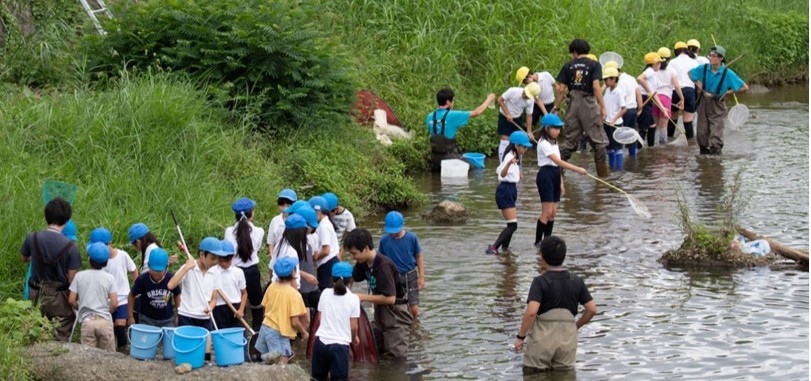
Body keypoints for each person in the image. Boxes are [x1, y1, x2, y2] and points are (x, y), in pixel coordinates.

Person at [514, 236, 597, 372]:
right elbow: (592, 309)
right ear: (564, 255)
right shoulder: (577, 281)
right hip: (567, 336)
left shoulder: (540, 282)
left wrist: (520, 337)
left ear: (542, 256)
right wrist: (576, 326)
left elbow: (532, 312)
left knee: (534, 374)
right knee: (565, 375)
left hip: (543, 337)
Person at [20, 197, 81, 341]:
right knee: (61, 328)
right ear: (66, 221)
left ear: (46, 216)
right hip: (59, 298)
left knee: (34, 329)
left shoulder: (32, 238)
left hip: (35, 293)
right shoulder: (71, 247)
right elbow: (72, 280)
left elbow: (23, 258)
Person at [345, 228, 410, 360]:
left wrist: (363, 297)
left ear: (366, 248)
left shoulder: (383, 266)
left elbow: (391, 298)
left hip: (396, 312)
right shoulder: (363, 262)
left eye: (354, 253)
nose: (352, 257)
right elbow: (352, 277)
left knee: (396, 356)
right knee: (375, 346)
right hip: (380, 309)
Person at [553, 38, 609, 177]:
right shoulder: (594, 65)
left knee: (570, 141)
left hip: (572, 104)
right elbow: (596, 87)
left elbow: (561, 89)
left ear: (575, 52)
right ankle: (602, 177)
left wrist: (557, 107)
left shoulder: (568, 66)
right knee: (599, 142)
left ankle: (557, 171)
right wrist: (602, 106)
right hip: (588, 103)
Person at [534, 114, 588, 248]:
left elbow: (557, 166)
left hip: (554, 174)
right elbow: (557, 161)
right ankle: (538, 242)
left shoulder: (554, 143)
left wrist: (561, 183)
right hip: (545, 175)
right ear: (547, 128)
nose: (558, 131)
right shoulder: (543, 143)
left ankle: (547, 240)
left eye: (559, 128)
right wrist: (577, 169)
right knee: (546, 212)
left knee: (553, 213)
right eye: (555, 128)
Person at [689, 45, 748, 155]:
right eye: (710, 55)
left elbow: (744, 87)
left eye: (714, 56)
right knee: (701, 132)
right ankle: (704, 154)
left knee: (716, 132)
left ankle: (716, 157)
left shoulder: (728, 73)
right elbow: (690, 74)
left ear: (721, 58)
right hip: (703, 103)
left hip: (717, 105)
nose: (711, 58)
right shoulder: (704, 68)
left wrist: (728, 92)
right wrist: (699, 84)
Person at [487, 131, 534, 255]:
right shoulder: (509, 157)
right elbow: (501, 174)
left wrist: (518, 171)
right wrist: (508, 164)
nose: (525, 149)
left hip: (511, 189)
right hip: (505, 190)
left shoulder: (515, 155)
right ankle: (494, 247)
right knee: (513, 225)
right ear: (516, 146)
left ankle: (505, 250)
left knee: (511, 224)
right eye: (524, 147)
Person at [311, 262, 360, 381]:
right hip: (340, 346)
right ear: (351, 280)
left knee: (317, 378)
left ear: (331, 279)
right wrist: (354, 338)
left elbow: (320, 318)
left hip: (320, 344)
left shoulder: (325, 293)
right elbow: (353, 327)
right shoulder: (354, 299)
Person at [426, 89, 496, 172]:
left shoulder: (430, 116)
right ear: (448, 102)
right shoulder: (453, 115)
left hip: (435, 159)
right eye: (453, 100)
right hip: (450, 158)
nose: (453, 103)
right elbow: (477, 112)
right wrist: (489, 99)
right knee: (477, 170)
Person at [90, 227, 137, 349]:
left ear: (110, 244)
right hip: (106, 300)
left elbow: (133, 270)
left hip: (122, 299)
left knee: (120, 327)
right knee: (106, 330)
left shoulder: (122, 255)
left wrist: (135, 289)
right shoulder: (98, 260)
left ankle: (123, 350)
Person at [257, 256, 309, 365]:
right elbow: (294, 322)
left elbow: (264, 308)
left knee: (269, 364)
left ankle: (266, 358)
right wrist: (304, 333)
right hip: (279, 333)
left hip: (265, 328)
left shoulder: (271, 287)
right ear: (293, 273)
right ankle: (270, 358)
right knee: (282, 364)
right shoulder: (294, 295)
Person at [224, 197, 265, 331]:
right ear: (251, 214)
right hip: (252, 272)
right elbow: (257, 248)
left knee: (236, 303)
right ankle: (257, 332)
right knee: (257, 305)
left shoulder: (228, 231)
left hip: (234, 272)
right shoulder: (259, 231)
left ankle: (237, 331)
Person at [68, 242, 117, 352]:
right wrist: (108, 311)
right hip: (105, 321)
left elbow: (71, 300)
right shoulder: (110, 278)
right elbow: (114, 304)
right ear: (106, 262)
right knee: (109, 357)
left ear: (89, 259)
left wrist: (81, 307)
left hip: (87, 321)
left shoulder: (79, 276)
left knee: (88, 357)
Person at [168, 237, 223, 331]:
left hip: (204, 318)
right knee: (187, 345)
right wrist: (186, 268)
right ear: (202, 254)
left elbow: (214, 299)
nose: (215, 262)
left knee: (205, 344)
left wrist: (210, 307)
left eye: (217, 259)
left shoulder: (215, 272)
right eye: (212, 258)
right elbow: (170, 285)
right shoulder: (189, 267)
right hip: (186, 316)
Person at [379, 211, 425, 319]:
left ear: (402, 225)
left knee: (413, 307)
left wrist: (422, 277)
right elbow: (380, 259)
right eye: (391, 232)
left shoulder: (411, 238)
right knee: (393, 304)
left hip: (410, 275)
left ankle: (414, 326)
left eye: (396, 231)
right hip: (392, 276)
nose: (393, 234)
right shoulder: (384, 241)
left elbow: (419, 256)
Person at [637, 50, 684, 145]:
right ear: (654, 64)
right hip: (647, 99)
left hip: (652, 99)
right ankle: (638, 149)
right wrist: (648, 90)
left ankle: (651, 148)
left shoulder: (653, 73)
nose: (660, 64)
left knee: (653, 125)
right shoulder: (650, 71)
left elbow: (654, 93)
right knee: (649, 127)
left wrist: (663, 108)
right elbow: (640, 78)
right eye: (659, 62)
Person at [128, 247, 181, 328]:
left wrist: (178, 315)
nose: (156, 274)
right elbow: (131, 295)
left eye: (159, 271)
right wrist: (130, 316)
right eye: (154, 270)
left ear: (166, 267)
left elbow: (177, 294)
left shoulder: (171, 278)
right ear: (149, 266)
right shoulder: (143, 279)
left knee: (170, 339)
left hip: (167, 319)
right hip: (147, 318)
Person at [497, 82, 540, 160]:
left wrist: (529, 132)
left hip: (517, 118)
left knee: (519, 142)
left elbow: (529, 116)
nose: (524, 95)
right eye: (525, 93)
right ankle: (503, 163)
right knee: (505, 140)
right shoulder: (513, 91)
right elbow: (500, 100)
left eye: (527, 96)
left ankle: (517, 163)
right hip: (504, 116)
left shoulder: (530, 101)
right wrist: (508, 114)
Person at [606, 60, 642, 151]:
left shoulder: (617, 84)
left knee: (618, 138)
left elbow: (622, 100)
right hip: (632, 110)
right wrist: (640, 108)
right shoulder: (630, 78)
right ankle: (633, 160)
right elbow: (638, 93)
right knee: (631, 136)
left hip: (622, 113)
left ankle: (620, 161)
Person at [213, 240, 247, 329]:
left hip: (236, 308)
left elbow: (244, 293)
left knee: (238, 336)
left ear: (233, 257)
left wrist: (241, 310)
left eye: (227, 260)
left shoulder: (238, 272)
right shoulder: (212, 272)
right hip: (218, 309)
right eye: (221, 260)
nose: (224, 263)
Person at [294, 205, 322, 311]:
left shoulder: (307, 239)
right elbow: (289, 268)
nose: (312, 229)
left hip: (312, 287)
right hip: (302, 288)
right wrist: (306, 275)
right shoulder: (294, 244)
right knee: (305, 320)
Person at [270, 214, 308, 290]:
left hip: (276, 287)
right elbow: (293, 279)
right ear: (299, 233)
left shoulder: (280, 243)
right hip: (288, 291)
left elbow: (271, 268)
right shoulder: (291, 252)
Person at [669, 41, 700, 138]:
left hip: (675, 91)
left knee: (673, 118)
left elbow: (670, 78)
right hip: (689, 91)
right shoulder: (693, 62)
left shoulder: (672, 62)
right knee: (688, 120)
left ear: (675, 51)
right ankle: (690, 143)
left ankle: (669, 138)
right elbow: (697, 79)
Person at [310, 196, 340, 290]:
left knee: (326, 291)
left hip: (327, 264)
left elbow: (326, 250)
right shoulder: (325, 223)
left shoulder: (324, 226)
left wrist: (314, 258)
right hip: (329, 263)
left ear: (318, 211)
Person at [602, 66, 627, 153]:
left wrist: (614, 118)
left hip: (615, 123)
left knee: (617, 148)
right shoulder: (608, 90)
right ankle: (612, 167)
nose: (605, 82)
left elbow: (624, 109)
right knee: (609, 147)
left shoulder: (619, 92)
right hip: (607, 122)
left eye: (606, 80)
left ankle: (619, 167)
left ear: (613, 79)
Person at [267, 188, 297, 256]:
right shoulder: (275, 221)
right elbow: (271, 242)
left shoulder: (298, 221)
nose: (285, 208)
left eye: (288, 205)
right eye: (282, 205)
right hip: (277, 259)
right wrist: (272, 257)